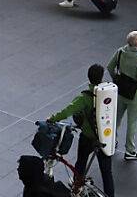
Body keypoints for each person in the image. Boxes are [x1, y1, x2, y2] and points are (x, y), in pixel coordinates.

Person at [47, 64, 114, 197]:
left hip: (88, 137)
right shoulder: (109, 93)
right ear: (101, 78)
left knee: (81, 162)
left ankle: (77, 188)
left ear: (88, 78)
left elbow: (68, 110)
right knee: (106, 172)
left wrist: (53, 118)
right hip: (105, 138)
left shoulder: (84, 98)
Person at [106, 31, 137, 161]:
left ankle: (111, 141)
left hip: (120, 90)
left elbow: (110, 67)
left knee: (116, 118)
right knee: (132, 122)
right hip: (134, 94)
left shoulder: (120, 52)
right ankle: (130, 150)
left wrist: (116, 79)